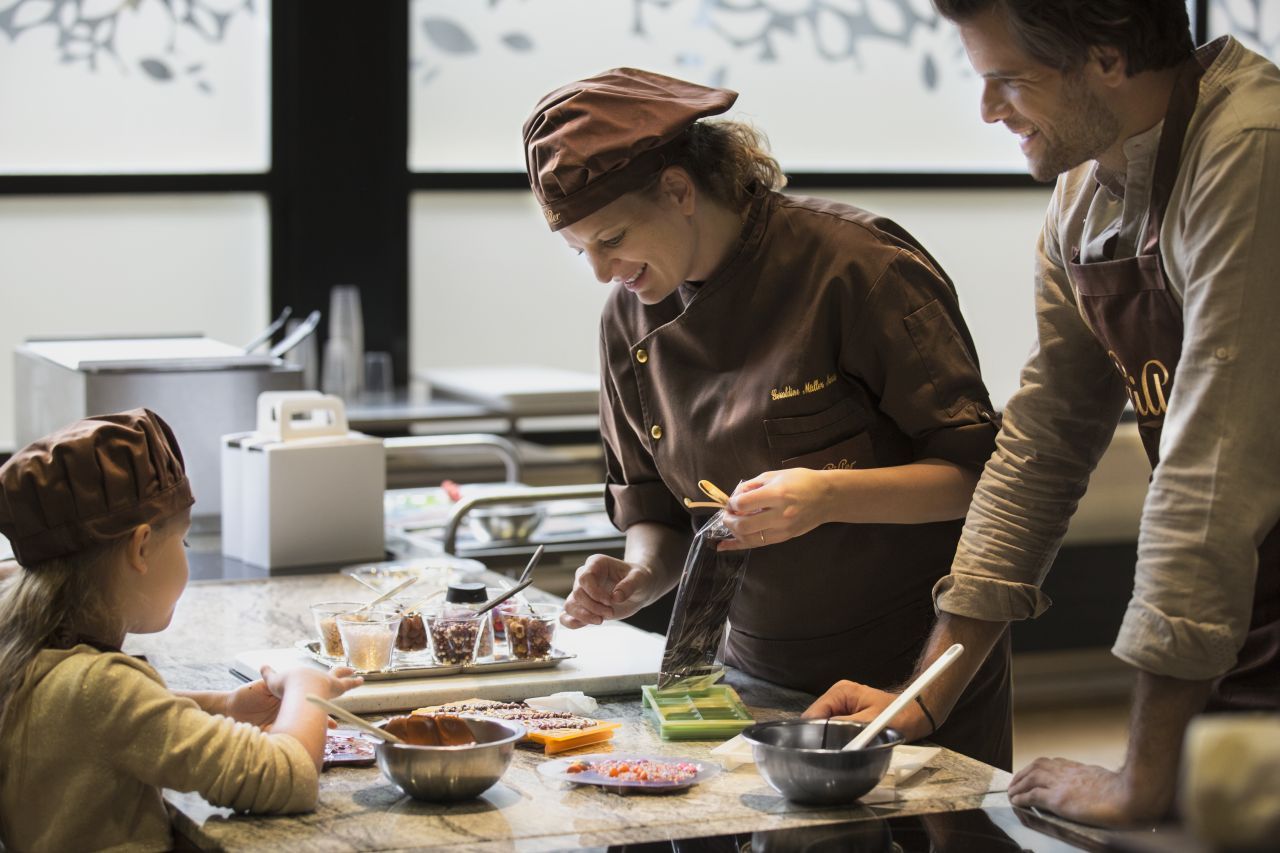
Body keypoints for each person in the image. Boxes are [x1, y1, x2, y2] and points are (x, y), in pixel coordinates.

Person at [805, 0, 1280, 827]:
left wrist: (1141, 776)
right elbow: (1043, 442)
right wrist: (924, 692)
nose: (988, 110)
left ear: (1106, 60)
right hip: (1246, 605)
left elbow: (1215, 465)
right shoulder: (1084, 190)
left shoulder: (1252, 150)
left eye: (1009, 81)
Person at [522, 68, 1012, 767]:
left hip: (914, 670)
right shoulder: (628, 317)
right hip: (749, 678)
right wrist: (640, 575)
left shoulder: (858, 267)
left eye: (613, 238)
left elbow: (984, 479)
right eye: (581, 253)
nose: (603, 271)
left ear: (679, 190)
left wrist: (827, 494)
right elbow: (659, 512)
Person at [0, 409, 362, 851]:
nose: (187, 553)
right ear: (142, 546)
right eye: (184, 541)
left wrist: (227, 705)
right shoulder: (102, 688)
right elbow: (287, 776)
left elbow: (101, 718)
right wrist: (307, 683)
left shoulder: (31, 656)